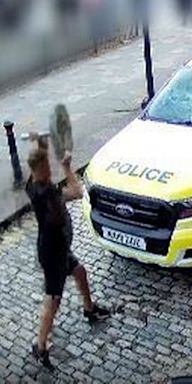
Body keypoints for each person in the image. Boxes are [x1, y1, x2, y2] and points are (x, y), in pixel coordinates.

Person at [26, 133, 109, 371]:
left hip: (57, 248)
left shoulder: (32, 185)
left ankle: (89, 309)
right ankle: (40, 347)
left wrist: (40, 142)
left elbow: (38, 161)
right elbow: (77, 191)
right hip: (53, 255)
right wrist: (67, 167)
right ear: (40, 171)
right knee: (53, 301)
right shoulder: (47, 194)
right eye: (47, 167)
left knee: (80, 271)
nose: (50, 168)